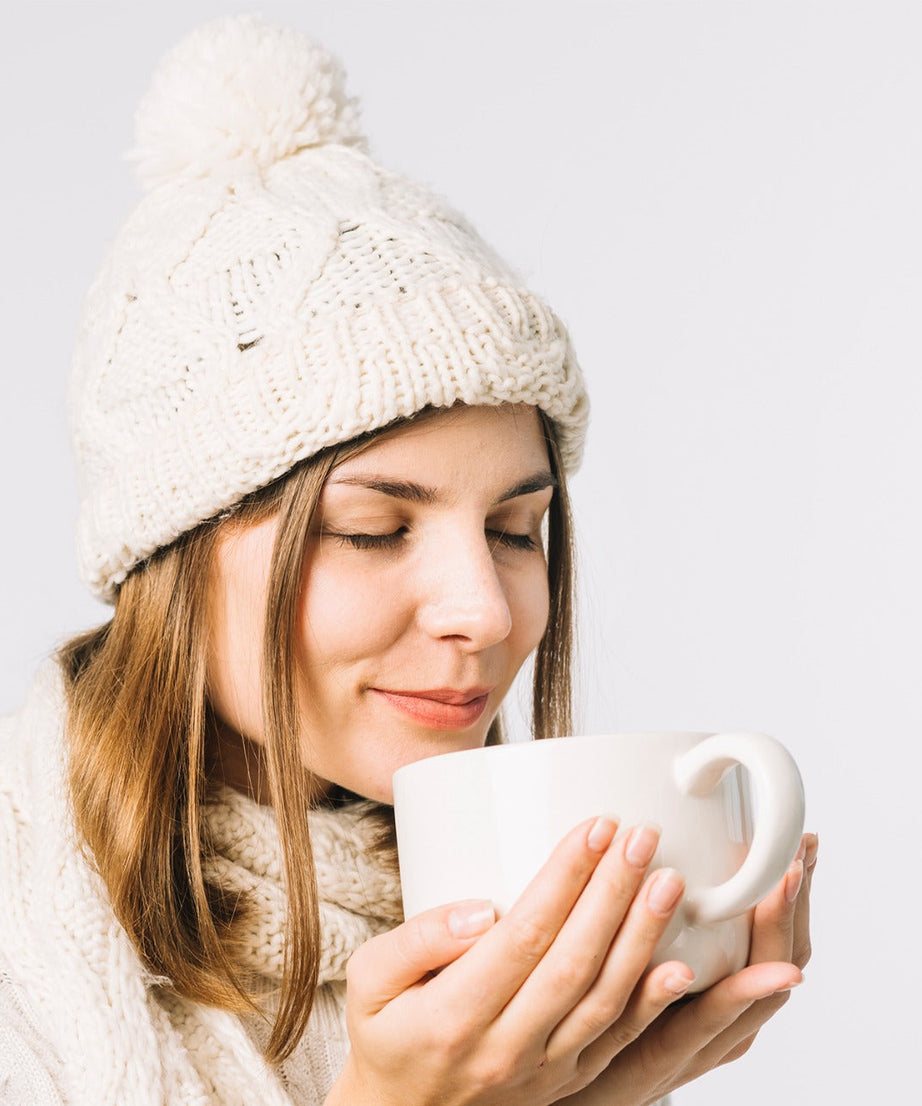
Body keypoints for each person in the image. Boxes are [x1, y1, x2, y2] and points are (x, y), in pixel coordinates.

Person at [0, 15, 816, 1106]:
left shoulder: (516, 965)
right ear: (172, 552)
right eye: (374, 530)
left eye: (515, 531)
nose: (487, 613)